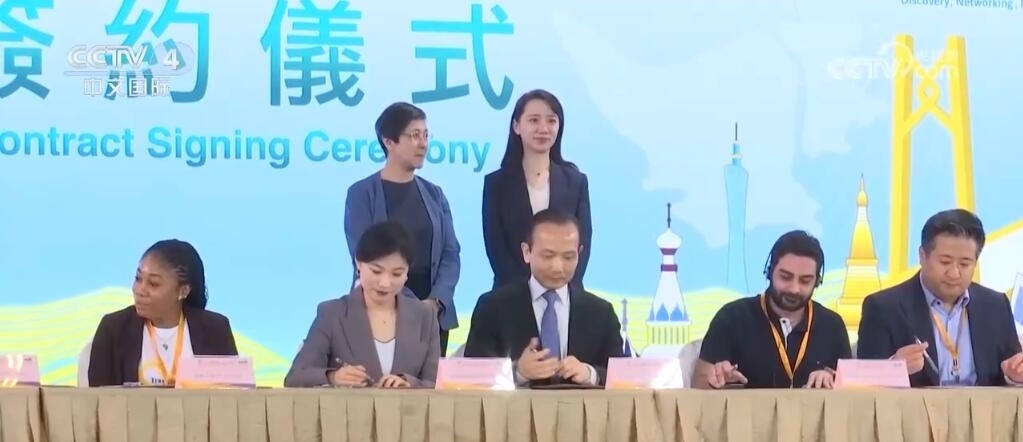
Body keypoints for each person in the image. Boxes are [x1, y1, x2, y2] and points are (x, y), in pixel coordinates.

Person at [344, 102, 460, 356]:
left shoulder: (435, 194)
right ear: (389, 141)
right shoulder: (361, 194)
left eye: (426, 135)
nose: (423, 144)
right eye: (414, 135)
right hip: (378, 310)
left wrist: (436, 301)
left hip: (433, 315)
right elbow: (364, 255)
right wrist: (410, 307)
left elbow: (451, 253)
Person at [857, 209, 1023, 387]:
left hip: (985, 406)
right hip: (915, 406)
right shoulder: (883, 307)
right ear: (922, 256)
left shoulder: (995, 305)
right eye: (945, 262)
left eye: (965, 264)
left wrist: (1014, 375)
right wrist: (893, 368)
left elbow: (1013, 370)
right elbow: (860, 383)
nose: (954, 273)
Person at [463, 209, 622, 387]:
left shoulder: (601, 313)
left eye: (568, 257)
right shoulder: (493, 308)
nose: (557, 267)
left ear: (580, 253)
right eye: (548, 256)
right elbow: (470, 377)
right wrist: (516, 372)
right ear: (527, 252)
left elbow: (623, 377)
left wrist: (590, 374)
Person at [285, 221, 440, 388]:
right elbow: (296, 377)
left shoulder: (425, 316)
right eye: (376, 271)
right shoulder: (332, 314)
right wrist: (333, 377)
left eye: (397, 274)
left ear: (407, 273)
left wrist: (409, 383)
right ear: (358, 264)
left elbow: (437, 383)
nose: (385, 283)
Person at [694, 230, 851, 389]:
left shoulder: (832, 325)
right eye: (785, 277)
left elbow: (852, 391)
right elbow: (698, 385)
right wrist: (717, 380)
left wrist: (833, 380)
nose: (794, 289)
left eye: (805, 281)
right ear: (769, 272)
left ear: (817, 282)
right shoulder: (732, 318)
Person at [87, 240, 238, 387]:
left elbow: (233, 394)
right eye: (138, 279)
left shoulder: (215, 330)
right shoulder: (114, 329)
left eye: (153, 284)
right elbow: (98, 397)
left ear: (183, 291)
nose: (139, 290)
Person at [482, 89, 592, 290]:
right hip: (510, 297)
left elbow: (582, 242)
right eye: (534, 120)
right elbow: (497, 249)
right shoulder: (496, 184)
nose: (543, 128)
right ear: (517, 126)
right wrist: (530, 296)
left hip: (566, 296)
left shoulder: (576, 182)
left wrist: (562, 290)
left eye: (551, 121)